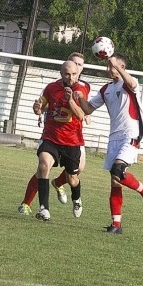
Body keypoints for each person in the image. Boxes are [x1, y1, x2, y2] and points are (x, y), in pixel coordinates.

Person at [76, 53, 143, 234]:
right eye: (108, 66)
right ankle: (116, 225)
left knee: (118, 170)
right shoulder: (106, 89)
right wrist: (79, 98)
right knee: (115, 180)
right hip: (114, 137)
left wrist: (116, 66)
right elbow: (88, 109)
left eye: (112, 66)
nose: (109, 69)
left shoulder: (128, 83)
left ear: (122, 67)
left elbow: (132, 84)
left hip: (131, 134)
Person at [20, 52, 91, 217]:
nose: (71, 77)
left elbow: (81, 115)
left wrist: (71, 100)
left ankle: (75, 197)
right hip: (51, 137)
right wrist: (37, 108)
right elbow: (41, 106)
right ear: (61, 73)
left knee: (73, 177)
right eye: (67, 73)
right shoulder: (51, 87)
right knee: (43, 166)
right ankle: (43, 209)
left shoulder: (81, 89)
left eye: (75, 72)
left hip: (72, 140)